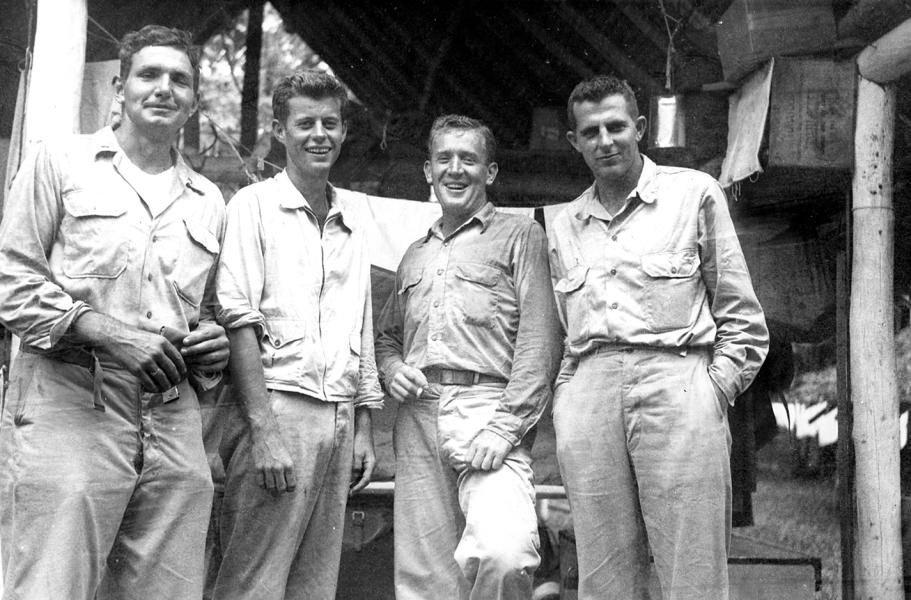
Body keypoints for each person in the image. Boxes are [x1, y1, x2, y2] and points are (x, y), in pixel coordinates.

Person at [0, 25, 228, 599]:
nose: (164, 88)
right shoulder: (62, 162)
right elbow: (9, 283)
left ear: (193, 100)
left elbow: (209, 314)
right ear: (120, 88)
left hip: (172, 417)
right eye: (149, 75)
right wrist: (107, 332)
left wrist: (211, 345)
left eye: (180, 79)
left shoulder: (209, 200)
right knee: (53, 586)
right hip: (70, 401)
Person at [547, 75, 769, 600]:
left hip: (679, 385)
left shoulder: (693, 193)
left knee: (690, 571)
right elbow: (563, 331)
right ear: (574, 142)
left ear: (640, 128)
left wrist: (710, 393)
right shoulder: (564, 225)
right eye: (591, 131)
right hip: (591, 394)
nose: (606, 140)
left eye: (616, 126)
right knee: (603, 576)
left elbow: (743, 318)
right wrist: (567, 400)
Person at [210, 70, 382, 600]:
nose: (319, 135)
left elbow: (362, 322)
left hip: (339, 415)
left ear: (344, 131)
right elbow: (236, 317)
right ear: (280, 131)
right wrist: (263, 431)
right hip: (278, 412)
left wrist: (364, 427)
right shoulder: (253, 206)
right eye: (304, 123)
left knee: (313, 586)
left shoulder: (354, 215)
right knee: (252, 582)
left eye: (330, 123)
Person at [376, 114, 562, 599]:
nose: (455, 170)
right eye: (444, 159)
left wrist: (505, 427)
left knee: (505, 555)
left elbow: (540, 343)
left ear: (491, 172)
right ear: (427, 170)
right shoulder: (414, 254)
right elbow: (387, 338)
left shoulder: (522, 237)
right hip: (417, 419)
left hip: (488, 410)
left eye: (469, 159)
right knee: (424, 581)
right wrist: (393, 369)